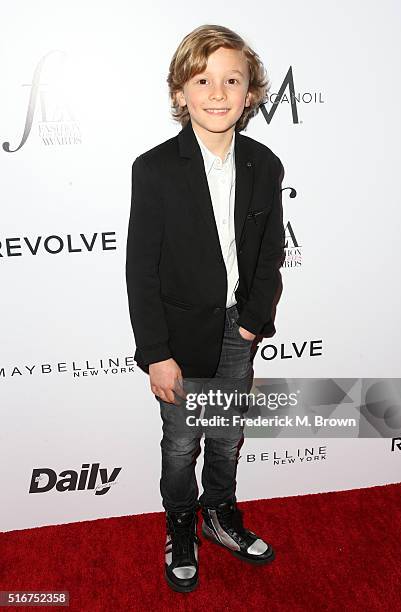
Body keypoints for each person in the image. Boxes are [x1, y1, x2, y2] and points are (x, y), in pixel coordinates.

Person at [125, 24, 285, 593]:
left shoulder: (265, 166)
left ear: (250, 94)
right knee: (181, 441)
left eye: (231, 80)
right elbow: (140, 270)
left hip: (235, 331)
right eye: (202, 80)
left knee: (225, 434)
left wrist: (249, 320)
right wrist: (156, 354)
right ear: (180, 94)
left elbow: (270, 254)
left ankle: (219, 514)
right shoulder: (156, 169)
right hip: (178, 335)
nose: (217, 94)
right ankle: (181, 523)